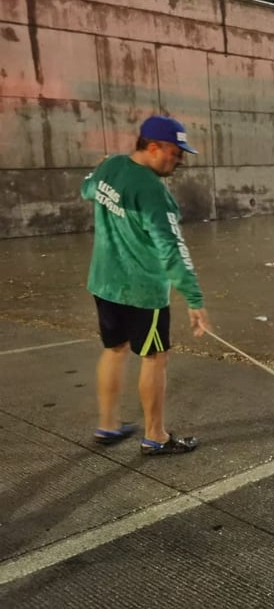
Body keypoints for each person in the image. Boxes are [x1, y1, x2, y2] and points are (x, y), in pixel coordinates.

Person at [81, 115, 210, 456]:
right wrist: (195, 300)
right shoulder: (155, 194)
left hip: (104, 283)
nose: (179, 160)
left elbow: (87, 189)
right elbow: (173, 253)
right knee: (154, 357)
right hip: (142, 293)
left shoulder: (111, 166)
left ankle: (107, 425)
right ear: (153, 147)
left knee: (114, 349)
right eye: (175, 152)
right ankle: (156, 435)